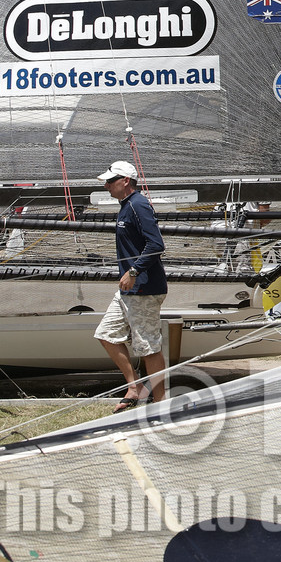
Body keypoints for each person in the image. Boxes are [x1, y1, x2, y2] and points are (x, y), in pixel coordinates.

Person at [93, 160, 168, 411]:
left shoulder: (138, 204)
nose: (106, 186)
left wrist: (134, 271)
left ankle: (160, 403)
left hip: (144, 288)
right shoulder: (126, 205)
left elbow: (156, 244)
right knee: (106, 335)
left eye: (111, 181)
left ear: (125, 181)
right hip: (129, 289)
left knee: (148, 347)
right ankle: (134, 387)